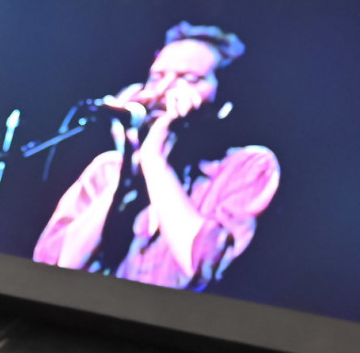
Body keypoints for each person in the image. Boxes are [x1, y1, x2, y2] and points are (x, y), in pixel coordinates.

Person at [33, 23, 280, 290]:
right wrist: (129, 165)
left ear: (223, 102)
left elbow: (199, 267)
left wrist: (154, 161)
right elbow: (55, 271)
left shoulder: (248, 166)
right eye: (156, 77)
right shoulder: (107, 170)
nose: (163, 90)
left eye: (189, 78)